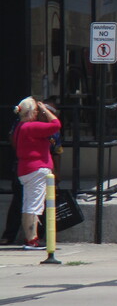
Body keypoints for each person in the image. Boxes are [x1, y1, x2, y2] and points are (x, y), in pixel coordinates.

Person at [11, 97, 61, 250]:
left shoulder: (21, 126)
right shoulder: (30, 127)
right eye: (37, 110)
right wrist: (46, 110)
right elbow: (56, 125)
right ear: (32, 112)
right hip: (36, 170)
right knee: (34, 206)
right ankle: (32, 240)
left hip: (26, 169)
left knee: (28, 205)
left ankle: (30, 238)